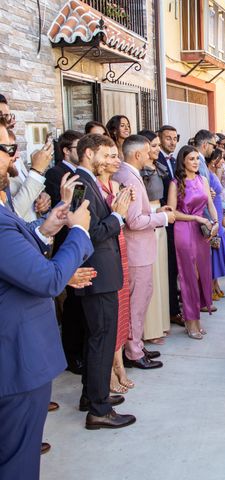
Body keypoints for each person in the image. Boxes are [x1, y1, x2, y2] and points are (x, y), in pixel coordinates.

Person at [0, 116, 94, 480]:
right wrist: (78, 234)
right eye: (9, 149)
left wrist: (45, 229)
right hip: (16, 360)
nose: (15, 157)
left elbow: (15, 256)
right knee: (17, 461)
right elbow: (48, 280)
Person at [74, 133, 137, 429]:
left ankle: (92, 394)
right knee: (102, 339)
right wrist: (118, 216)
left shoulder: (87, 182)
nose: (116, 160)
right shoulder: (82, 185)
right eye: (110, 155)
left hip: (102, 274)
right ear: (89, 154)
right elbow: (89, 234)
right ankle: (99, 410)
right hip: (97, 274)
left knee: (96, 338)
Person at [114, 135, 174, 369]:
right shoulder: (128, 177)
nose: (152, 154)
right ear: (138, 154)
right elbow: (134, 221)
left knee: (141, 298)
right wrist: (162, 218)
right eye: (149, 151)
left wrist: (158, 210)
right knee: (136, 301)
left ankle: (136, 344)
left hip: (140, 248)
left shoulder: (127, 173)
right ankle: (133, 350)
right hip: (136, 250)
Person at [44, 129, 86, 374]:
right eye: (77, 148)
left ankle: (80, 349)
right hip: (64, 241)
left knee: (80, 302)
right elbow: (59, 208)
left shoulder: (79, 174)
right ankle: (72, 355)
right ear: (66, 150)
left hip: (79, 238)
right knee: (70, 303)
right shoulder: (55, 173)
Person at [95, 143, 134, 393]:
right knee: (108, 316)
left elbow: (125, 219)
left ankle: (119, 362)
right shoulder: (92, 187)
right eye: (109, 156)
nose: (116, 160)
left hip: (120, 244)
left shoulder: (117, 185)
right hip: (103, 251)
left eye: (116, 156)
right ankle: (108, 368)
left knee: (122, 306)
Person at [168, 146, 218, 340]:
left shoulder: (203, 180)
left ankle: (197, 318)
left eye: (198, 159)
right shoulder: (175, 183)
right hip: (184, 229)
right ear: (183, 162)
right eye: (191, 159)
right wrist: (196, 219)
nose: (196, 162)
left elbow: (210, 205)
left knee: (202, 274)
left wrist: (215, 224)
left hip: (202, 230)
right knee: (188, 275)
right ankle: (190, 321)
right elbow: (172, 212)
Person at [138, 129, 173, 344]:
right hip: (148, 220)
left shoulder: (158, 167)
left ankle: (161, 323)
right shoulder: (139, 172)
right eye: (153, 145)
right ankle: (149, 330)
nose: (157, 149)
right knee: (150, 277)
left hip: (161, 219)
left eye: (158, 145)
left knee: (161, 275)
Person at [156, 125, 183, 326]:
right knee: (168, 267)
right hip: (161, 219)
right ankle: (171, 310)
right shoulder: (154, 161)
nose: (172, 142)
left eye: (175, 138)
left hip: (177, 218)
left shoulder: (175, 161)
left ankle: (175, 306)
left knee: (176, 267)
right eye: (168, 138)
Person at [205, 147, 225, 300]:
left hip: (218, 210)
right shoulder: (207, 175)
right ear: (214, 160)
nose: (223, 160)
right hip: (213, 213)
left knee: (217, 246)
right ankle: (210, 286)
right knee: (213, 248)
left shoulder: (214, 173)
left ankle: (215, 284)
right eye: (221, 158)